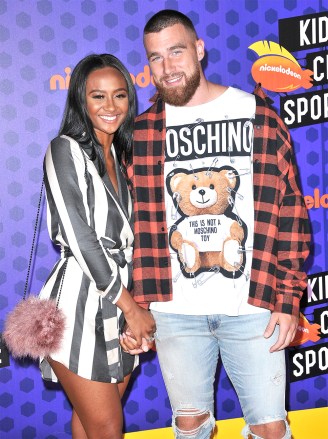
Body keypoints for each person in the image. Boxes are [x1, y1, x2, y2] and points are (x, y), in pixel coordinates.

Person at [121, 10, 311, 439]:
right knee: (189, 428)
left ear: (199, 49)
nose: (167, 68)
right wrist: (138, 304)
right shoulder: (143, 132)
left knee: (270, 429)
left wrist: (288, 296)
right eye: (155, 58)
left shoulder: (257, 114)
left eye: (176, 51)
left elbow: (290, 212)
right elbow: (133, 226)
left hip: (253, 307)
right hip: (174, 312)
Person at [39, 54, 156, 439]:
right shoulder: (64, 149)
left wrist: (138, 305)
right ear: (81, 101)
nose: (110, 107)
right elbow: (80, 236)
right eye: (98, 96)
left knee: (92, 423)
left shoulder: (126, 157)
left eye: (119, 95)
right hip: (80, 303)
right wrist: (131, 308)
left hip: (123, 303)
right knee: (107, 426)